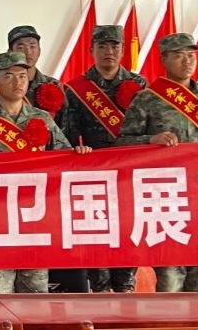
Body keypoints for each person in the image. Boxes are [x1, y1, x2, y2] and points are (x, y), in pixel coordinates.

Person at [0, 52, 90, 294]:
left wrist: (78, 153)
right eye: (8, 76)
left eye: (22, 76)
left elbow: (64, 157)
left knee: (36, 291)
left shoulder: (42, 118)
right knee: (0, 290)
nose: (17, 81)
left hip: (34, 217)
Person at [117, 32, 198, 293]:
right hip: (167, 198)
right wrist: (151, 139)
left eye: (191, 55)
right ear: (164, 59)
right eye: (179, 55)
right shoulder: (148, 99)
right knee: (170, 281)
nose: (187, 61)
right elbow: (122, 143)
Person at [59, 24, 147, 293]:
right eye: (102, 46)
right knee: (97, 229)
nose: (109, 51)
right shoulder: (76, 88)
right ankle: (98, 288)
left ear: (123, 49)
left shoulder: (139, 85)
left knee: (128, 228)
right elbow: (68, 133)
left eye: (114, 46)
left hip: (130, 172)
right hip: (93, 174)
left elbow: (149, 127)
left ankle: (125, 285)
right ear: (91, 50)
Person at [0, 26, 66, 118]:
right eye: (20, 47)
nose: (28, 52)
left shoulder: (54, 85)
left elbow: (65, 122)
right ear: (10, 52)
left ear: (39, 51)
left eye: (32, 46)